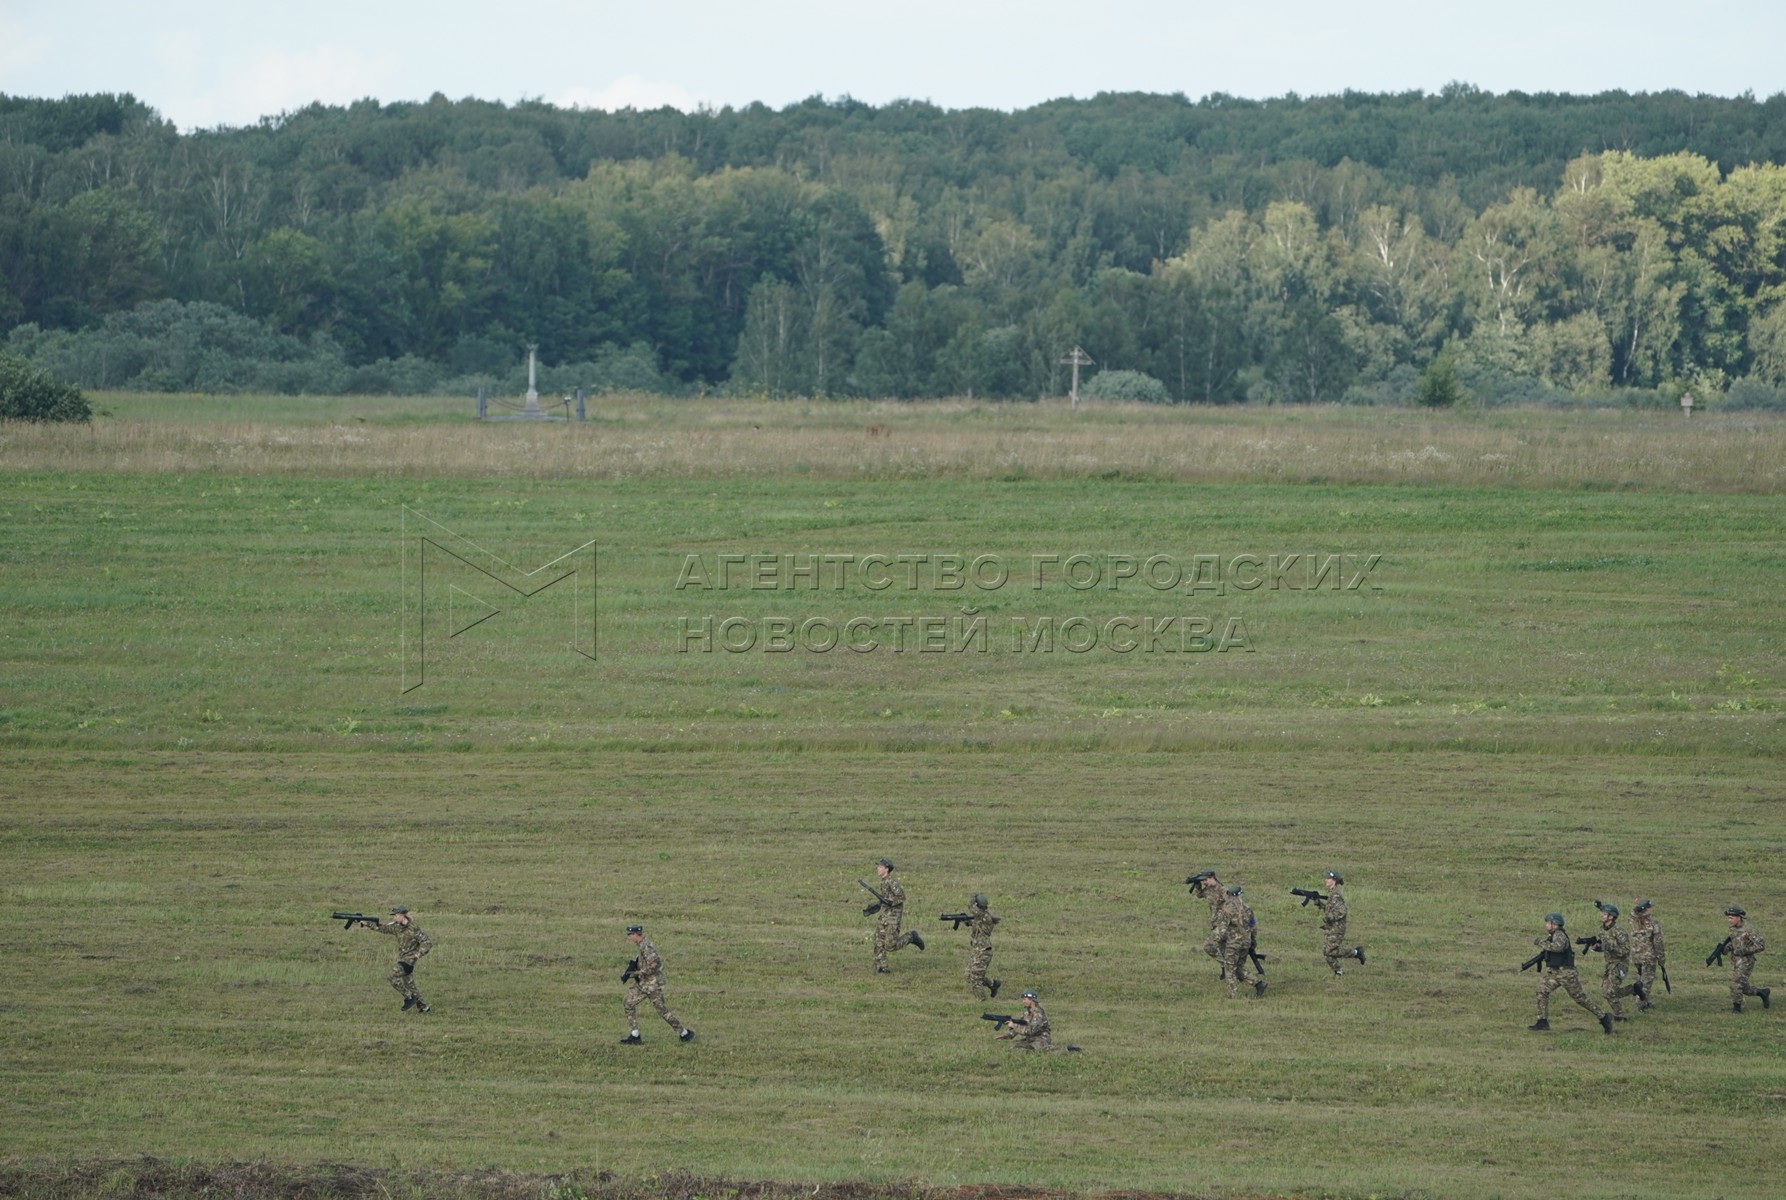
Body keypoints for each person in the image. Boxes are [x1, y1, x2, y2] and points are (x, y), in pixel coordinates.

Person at [1529, 912, 1613, 1034]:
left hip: (1566, 974)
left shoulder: (1559, 935)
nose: (1546, 924)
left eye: (1548, 922)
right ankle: (1542, 1021)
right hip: (1556, 973)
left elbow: (1557, 947)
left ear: (1555, 924)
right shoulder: (1553, 935)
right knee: (1542, 991)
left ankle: (1603, 1017)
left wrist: (1540, 942)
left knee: (1580, 998)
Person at [621, 924, 695, 1044]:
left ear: (635, 935)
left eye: (630, 935)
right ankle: (635, 1036)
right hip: (644, 983)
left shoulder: (647, 947)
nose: (629, 938)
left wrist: (639, 972)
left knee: (662, 1010)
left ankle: (684, 1033)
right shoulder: (642, 946)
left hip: (651, 985)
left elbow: (654, 964)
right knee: (628, 1003)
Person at [357, 905, 433, 1013]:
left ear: (403, 916)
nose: (394, 918)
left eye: (396, 915)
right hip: (402, 958)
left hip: (409, 960)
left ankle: (409, 997)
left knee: (391, 976)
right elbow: (382, 928)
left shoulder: (414, 928)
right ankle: (423, 1007)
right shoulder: (396, 927)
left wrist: (419, 954)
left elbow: (427, 942)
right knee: (410, 985)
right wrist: (367, 923)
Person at [870, 857, 923, 972]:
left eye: (880, 867)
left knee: (890, 945)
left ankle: (911, 937)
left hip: (892, 918)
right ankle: (881, 966)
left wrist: (890, 902)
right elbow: (885, 898)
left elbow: (901, 897)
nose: (877, 869)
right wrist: (876, 905)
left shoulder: (892, 882)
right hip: (884, 916)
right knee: (879, 941)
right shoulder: (883, 882)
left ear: (887, 869)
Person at [1588, 901, 1637, 1020]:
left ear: (1611, 916)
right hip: (1609, 964)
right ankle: (1633, 990)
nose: (1602, 915)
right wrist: (1597, 947)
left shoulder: (1619, 932)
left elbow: (1625, 951)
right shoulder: (1602, 929)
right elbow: (1604, 946)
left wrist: (1607, 946)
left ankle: (1620, 1015)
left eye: (1604, 914)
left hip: (1620, 964)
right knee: (1607, 992)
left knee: (1609, 992)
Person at [1720, 905, 1770, 1014]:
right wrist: (1726, 948)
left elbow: (1761, 946)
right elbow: (1734, 943)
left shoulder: (1750, 930)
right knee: (1743, 986)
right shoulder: (1733, 929)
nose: (1729, 920)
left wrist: (1744, 950)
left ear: (1739, 917)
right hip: (1735, 961)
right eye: (1729, 918)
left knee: (1736, 984)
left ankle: (1736, 1008)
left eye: (1731, 918)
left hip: (1746, 961)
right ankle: (1762, 993)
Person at [1314, 870, 1365, 975]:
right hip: (1331, 928)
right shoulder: (1332, 894)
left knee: (1329, 951)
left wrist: (1329, 918)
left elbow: (1342, 911)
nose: (1326, 880)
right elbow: (1330, 910)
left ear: (1334, 881)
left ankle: (1356, 953)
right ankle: (1338, 972)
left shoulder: (1336, 895)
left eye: (1328, 879)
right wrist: (1319, 904)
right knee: (1327, 952)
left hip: (1337, 929)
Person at [994, 989, 1078, 1052]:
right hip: (1030, 1039)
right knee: (1014, 1048)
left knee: (1044, 1051)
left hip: (1040, 1038)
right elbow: (1020, 1024)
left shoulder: (1038, 1013)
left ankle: (1067, 1049)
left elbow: (1031, 1030)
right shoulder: (1027, 1012)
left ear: (1031, 1000)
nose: (1023, 1001)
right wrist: (1006, 1035)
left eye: (1025, 999)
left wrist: (1014, 1026)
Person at [1219, 885, 1266, 998]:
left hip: (1233, 943)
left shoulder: (1227, 910)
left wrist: (1218, 941)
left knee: (1229, 968)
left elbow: (1222, 929)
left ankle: (1233, 994)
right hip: (1246, 942)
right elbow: (1253, 926)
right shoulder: (1248, 909)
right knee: (1239, 967)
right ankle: (1258, 984)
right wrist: (1253, 943)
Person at [1630, 899, 1666, 1010]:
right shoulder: (1653, 924)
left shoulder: (1633, 921)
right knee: (1646, 982)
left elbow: (1632, 913)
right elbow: (1658, 943)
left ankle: (1645, 1000)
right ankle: (1640, 1005)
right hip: (1648, 957)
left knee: (1641, 978)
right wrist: (1661, 958)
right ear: (1646, 910)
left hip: (1636, 955)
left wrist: (1636, 906)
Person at [963, 893, 1000, 1001]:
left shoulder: (984, 916)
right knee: (969, 976)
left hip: (983, 951)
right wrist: (968, 922)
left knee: (975, 978)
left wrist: (972, 897)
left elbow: (971, 908)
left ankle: (981, 1001)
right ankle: (992, 984)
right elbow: (977, 926)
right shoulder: (981, 917)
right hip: (977, 950)